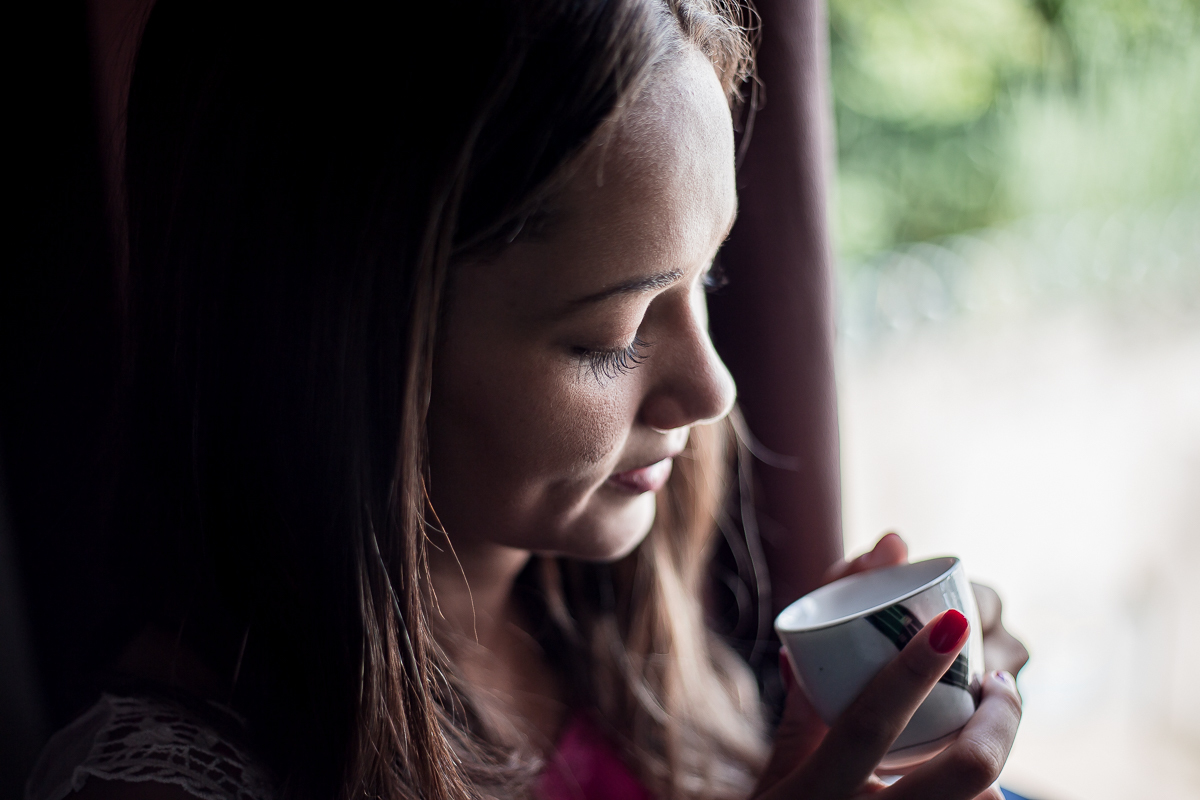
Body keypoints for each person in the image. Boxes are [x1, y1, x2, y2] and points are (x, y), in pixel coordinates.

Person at [25, 0, 1024, 798]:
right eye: (611, 334)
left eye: (706, 280)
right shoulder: (169, 780)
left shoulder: (607, 639)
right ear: (352, 352)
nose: (713, 387)